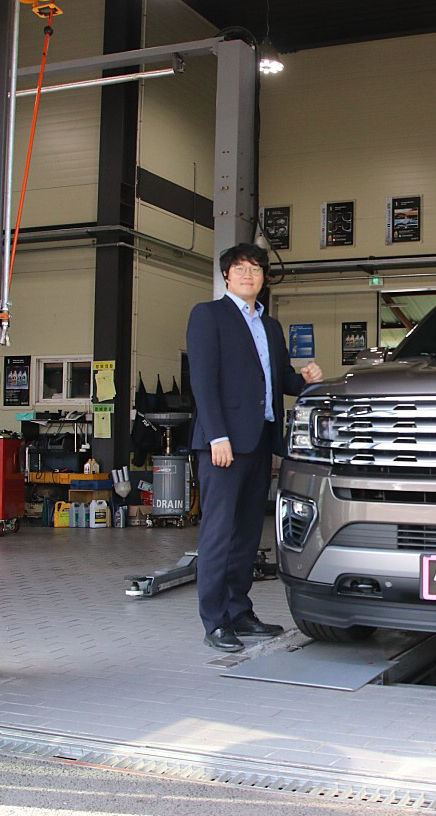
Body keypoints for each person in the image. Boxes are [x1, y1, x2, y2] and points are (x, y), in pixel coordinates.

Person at [186, 243, 322, 652]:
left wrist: (306, 379)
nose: (249, 275)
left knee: (246, 533)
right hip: (223, 443)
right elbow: (203, 380)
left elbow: (281, 380)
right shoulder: (208, 315)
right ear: (226, 275)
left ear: (264, 278)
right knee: (218, 532)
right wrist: (217, 436)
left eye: (256, 269)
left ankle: (239, 611)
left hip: (260, 440)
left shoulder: (271, 326)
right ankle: (215, 621)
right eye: (241, 268)